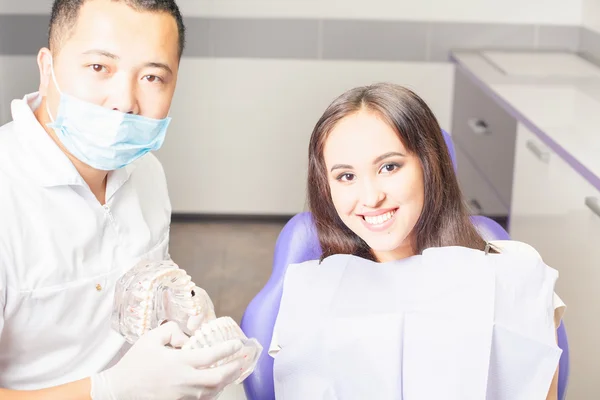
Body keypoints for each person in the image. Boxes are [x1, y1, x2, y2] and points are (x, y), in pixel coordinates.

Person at [0, 0, 245, 399]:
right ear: (48, 68)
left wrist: (183, 313)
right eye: (100, 68)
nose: (125, 102)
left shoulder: (146, 172)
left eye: (152, 77)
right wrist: (108, 390)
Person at [268, 83, 565, 399]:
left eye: (389, 166)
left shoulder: (513, 275)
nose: (371, 198)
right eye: (346, 176)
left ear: (429, 164)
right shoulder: (311, 291)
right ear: (326, 187)